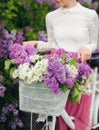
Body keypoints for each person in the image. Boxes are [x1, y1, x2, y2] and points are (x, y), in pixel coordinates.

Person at [23, 0, 99, 129]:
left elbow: (94, 43)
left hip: (77, 66)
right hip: (55, 66)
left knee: (72, 113)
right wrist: (35, 43)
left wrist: (87, 48)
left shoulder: (90, 15)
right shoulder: (51, 16)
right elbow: (51, 44)